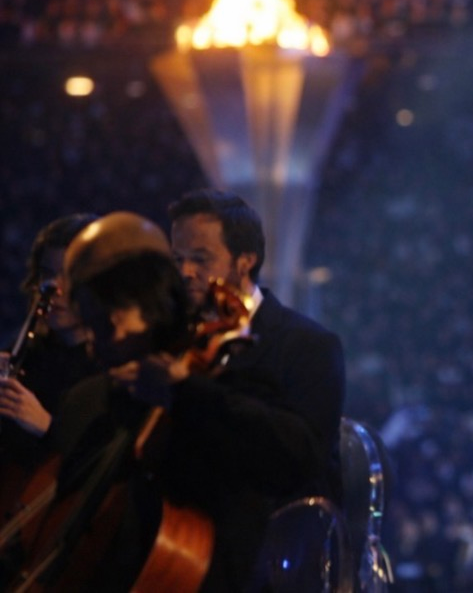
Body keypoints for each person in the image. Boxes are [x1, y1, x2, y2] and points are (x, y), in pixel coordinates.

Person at [8, 211, 288, 591]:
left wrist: (187, 393)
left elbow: (283, 459)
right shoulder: (82, 402)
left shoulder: (221, 384)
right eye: (89, 323)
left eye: (107, 319)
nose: (95, 341)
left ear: (148, 297)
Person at [166, 188, 346, 509]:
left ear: (245, 262)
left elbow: (304, 458)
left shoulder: (309, 345)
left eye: (200, 259)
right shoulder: (172, 338)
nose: (185, 272)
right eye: (178, 259)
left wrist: (197, 389)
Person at [0, 214, 99, 475]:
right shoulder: (26, 353)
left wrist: (46, 426)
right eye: (47, 274)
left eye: (69, 275)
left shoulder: (115, 367)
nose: (53, 287)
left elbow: (108, 465)